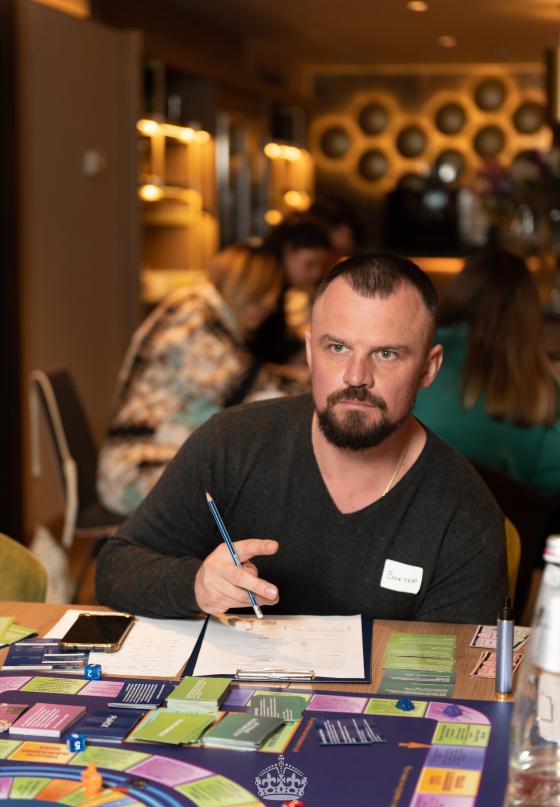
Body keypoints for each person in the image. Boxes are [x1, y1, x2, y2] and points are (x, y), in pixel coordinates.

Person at [96, 253, 507, 624]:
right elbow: (117, 567)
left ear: (428, 368)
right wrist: (196, 584)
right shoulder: (232, 443)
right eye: (337, 348)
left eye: (386, 354)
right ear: (311, 352)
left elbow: (457, 675)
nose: (356, 377)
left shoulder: (463, 511)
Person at [97, 243, 288, 516]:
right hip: (137, 469)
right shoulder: (194, 316)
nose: (270, 304)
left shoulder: (199, 310)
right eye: (262, 295)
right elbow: (253, 389)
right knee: (258, 488)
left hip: (143, 458)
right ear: (242, 285)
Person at [414, 250, 560, 498]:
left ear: (460, 292)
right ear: (530, 314)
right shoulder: (546, 392)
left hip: (407, 511)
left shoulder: (413, 356)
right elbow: (552, 488)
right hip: (508, 520)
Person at [247, 215, 331, 364]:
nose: (317, 274)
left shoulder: (280, 288)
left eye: (320, 266)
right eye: (310, 264)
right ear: (288, 252)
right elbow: (263, 355)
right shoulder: (264, 288)